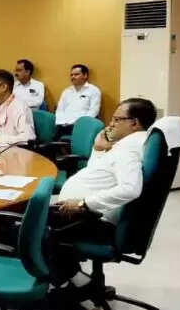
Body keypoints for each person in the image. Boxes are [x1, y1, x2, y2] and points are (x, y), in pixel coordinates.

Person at [51, 98, 155, 286]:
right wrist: (98, 149)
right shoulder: (128, 145)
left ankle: (78, 282)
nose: (111, 124)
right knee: (37, 217)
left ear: (134, 123)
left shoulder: (128, 151)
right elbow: (97, 173)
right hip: (89, 213)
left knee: (30, 226)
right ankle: (74, 279)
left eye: (117, 119)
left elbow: (130, 188)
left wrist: (82, 203)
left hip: (93, 218)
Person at [54, 64, 101, 138]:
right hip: (63, 125)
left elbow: (94, 111)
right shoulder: (66, 91)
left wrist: (80, 124)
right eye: (71, 75)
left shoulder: (93, 90)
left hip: (81, 126)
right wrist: (61, 122)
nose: (73, 77)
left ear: (85, 75)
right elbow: (60, 110)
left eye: (76, 74)